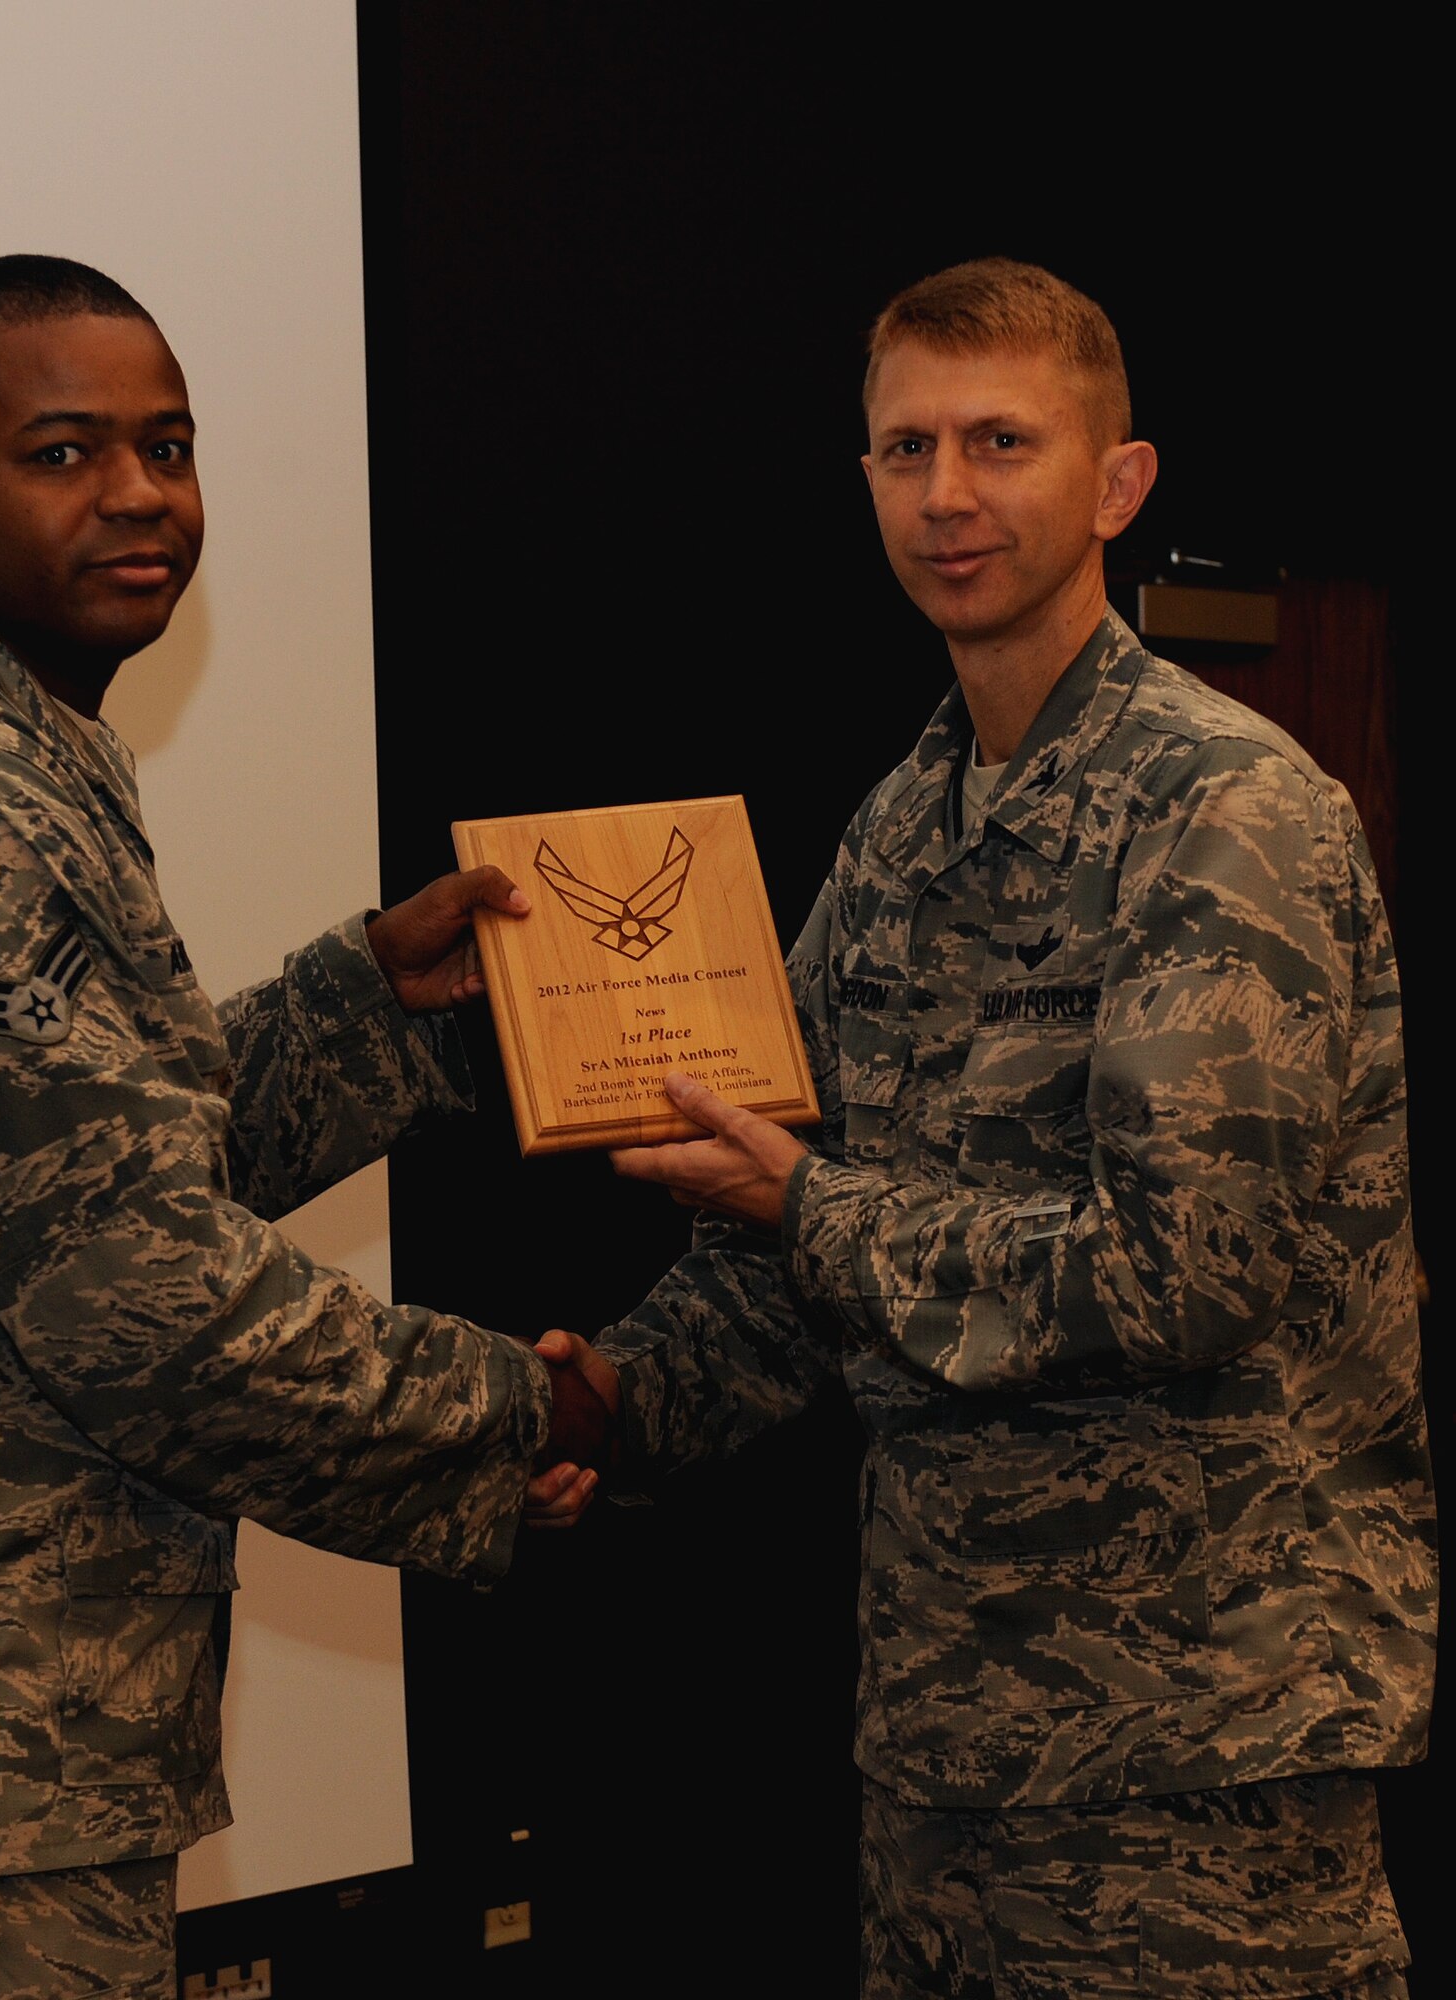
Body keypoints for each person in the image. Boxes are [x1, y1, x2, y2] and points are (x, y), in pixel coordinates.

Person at [0, 254, 605, 2000]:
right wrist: (515, 1414)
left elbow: (77, 1170)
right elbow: (142, 1304)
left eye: (168, 446)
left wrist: (362, 1008)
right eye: (67, 453)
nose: (144, 496)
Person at [527, 258, 1436, 1996]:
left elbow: (1188, 1271)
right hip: (950, 1745)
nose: (948, 493)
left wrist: (807, 1210)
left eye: (1001, 441)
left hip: (1198, 1756)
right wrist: (607, 1405)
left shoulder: (1224, 811)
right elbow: (783, 1240)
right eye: (906, 447)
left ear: (1118, 483)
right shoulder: (897, 831)